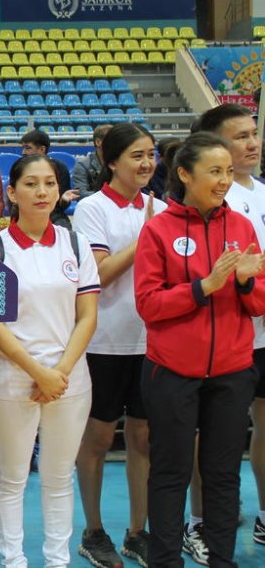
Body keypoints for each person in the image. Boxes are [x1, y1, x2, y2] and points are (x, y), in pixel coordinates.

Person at [135, 131, 265, 567]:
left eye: (228, 171)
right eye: (214, 171)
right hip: (172, 372)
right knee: (170, 474)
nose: (225, 180)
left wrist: (244, 282)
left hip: (232, 371)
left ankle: (222, 561)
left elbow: (259, 300)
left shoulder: (241, 227)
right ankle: (166, 560)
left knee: (223, 476)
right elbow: (149, 304)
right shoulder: (158, 230)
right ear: (185, 174)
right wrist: (203, 287)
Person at [0, 154, 99, 568]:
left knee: (59, 478)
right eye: (31, 184)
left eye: (49, 183)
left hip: (70, 380)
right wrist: (37, 372)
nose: (42, 192)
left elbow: (87, 316)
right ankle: (13, 560)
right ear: (12, 193)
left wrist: (58, 372)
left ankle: (57, 560)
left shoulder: (76, 244)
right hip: (12, 379)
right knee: (12, 478)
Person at [72, 124, 166, 568]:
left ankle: (137, 531)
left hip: (152, 342)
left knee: (143, 437)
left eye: (151, 154)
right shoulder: (91, 209)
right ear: (111, 161)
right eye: (136, 155)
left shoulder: (161, 208)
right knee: (98, 437)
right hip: (104, 342)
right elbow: (100, 274)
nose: (147, 163)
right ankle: (93, 531)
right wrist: (146, 237)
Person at [185, 103, 265, 559]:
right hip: (223, 338)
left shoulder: (261, 193)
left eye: (254, 133)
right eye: (241, 136)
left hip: (261, 330)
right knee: (207, 433)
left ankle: (261, 514)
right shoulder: (211, 199)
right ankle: (200, 520)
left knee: (260, 426)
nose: (252, 143)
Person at [20, 129, 79, 229]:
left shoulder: (60, 168)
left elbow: (61, 206)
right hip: (27, 214)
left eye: (28, 148)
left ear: (42, 149)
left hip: (54, 214)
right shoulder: (20, 169)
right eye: (23, 148)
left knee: (66, 232)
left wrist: (64, 201)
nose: (23, 152)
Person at [73, 124, 114, 200]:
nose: (118, 145)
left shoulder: (121, 164)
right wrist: (109, 195)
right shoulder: (82, 164)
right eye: (113, 140)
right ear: (98, 142)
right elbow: (80, 194)